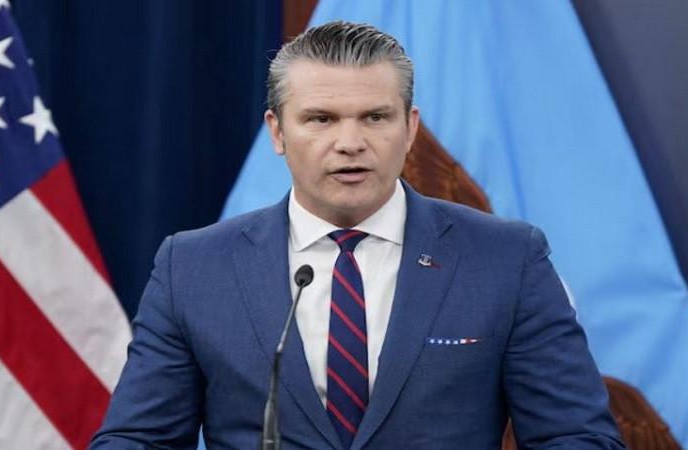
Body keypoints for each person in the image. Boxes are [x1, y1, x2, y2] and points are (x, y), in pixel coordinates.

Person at [91, 21, 625, 449]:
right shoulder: (194, 267)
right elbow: (138, 439)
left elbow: (578, 437)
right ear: (278, 131)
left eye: (374, 117)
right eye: (321, 119)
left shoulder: (506, 259)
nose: (350, 142)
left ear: (410, 128)